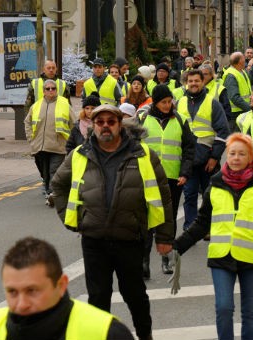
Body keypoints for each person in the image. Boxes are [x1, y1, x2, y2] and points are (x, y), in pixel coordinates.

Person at [51, 104, 174, 340]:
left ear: (120, 125)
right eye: (100, 122)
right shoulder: (80, 154)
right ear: (93, 126)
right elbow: (58, 185)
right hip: (94, 240)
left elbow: (163, 195)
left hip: (130, 237)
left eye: (110, 121)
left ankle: (145, 335)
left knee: (135, 295)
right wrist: (73, 218)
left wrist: (165, 237)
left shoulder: (143, 154)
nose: (105, 126)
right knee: (97, 298)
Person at [174, 133, 253, 340]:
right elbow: (202, 222)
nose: (236, 158)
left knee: (250, 312)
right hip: (221, 256)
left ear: (250, 157)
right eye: (232, 153)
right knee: (223, 308)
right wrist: (178, 246)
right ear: (226, 157)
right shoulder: (215, 185)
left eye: (241, 154)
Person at [0, 237, 135, 339]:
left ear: (61, 285)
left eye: (32, 291)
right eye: (12, 292)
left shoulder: (106, 334)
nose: (21, 304)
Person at [139, 85, 195, 277]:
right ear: (155, 102)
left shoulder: (180, 120)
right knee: (147, 221)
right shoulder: (143, 119)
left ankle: (166, 260)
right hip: (148, 179)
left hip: (172, 179)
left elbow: (189, 149)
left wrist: (185, 172)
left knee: (167, 221)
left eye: (170, 101)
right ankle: (144, 262)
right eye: (164, 102)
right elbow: (133, 147)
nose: (168, 105)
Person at [177, 69, 230, 232]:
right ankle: (191, 228)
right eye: (190, 81)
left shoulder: (212, 103)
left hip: (208, 159)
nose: (193, 84)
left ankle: (208, 228)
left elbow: (223, 131)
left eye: (196, 81)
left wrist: (215, 157)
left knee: (210, 196)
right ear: (186, 83)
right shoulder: (179, 102)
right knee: (190, 195)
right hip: (189, 160)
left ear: (202, 82)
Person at [24, 79, 77, 207]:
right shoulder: (36, 105)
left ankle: (54, 194)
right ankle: (49, 191)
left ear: (56, 90)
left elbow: (73, 123)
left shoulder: (64, 104)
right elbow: (27, 122)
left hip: (58, 146)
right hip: (40, 146)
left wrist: (71, 140)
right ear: (43, 91)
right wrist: (31, 139)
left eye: (53, 88)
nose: (51, 91)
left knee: (54, 170)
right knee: (45, 172)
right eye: (48, 89)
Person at [224, 52, 252, 132]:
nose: (245, 60)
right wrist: (249, 108)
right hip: (235, 114)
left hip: (243, 111)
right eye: (243, 58)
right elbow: (234, 97)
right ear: (240, 61)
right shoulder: (231, 75)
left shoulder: (242, 71)